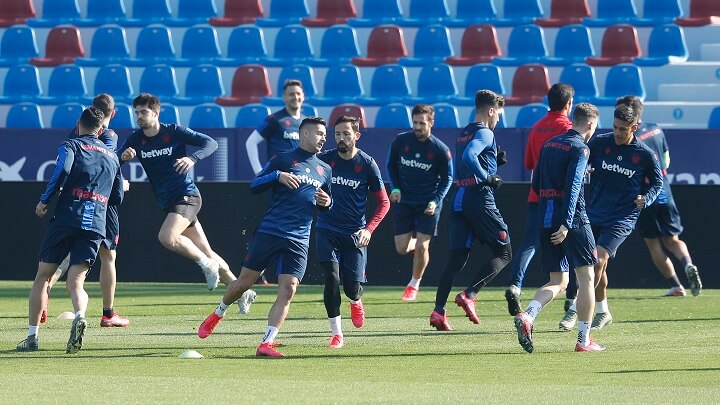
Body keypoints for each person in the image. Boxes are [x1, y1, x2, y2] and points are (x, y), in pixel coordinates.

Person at [197, 117, 332, 358]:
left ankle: (267, 342)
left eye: (325, 134)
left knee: (288, 289)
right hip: (271, 231)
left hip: (299, 238)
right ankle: (219, 312)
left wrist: (327, 203)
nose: (324, 138)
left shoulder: (325, 169)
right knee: (244, 283)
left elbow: (323, 201)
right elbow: (255, 184)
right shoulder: (282, 160)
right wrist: (276, 176)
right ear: (304, 135)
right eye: (319, 133)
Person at [118, 93, 256, 313]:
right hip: (168, 202)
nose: (139, 117)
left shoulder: (173, 131)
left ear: (156, 112)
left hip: (187, 196)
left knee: (167, 237)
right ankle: (241, 290)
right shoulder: (135, 139)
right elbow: (114, 162)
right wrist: (122, 158)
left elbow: (210, 144)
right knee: (207, 250)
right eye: (136, 113)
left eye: (144, 112)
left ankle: (205, 264)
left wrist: (193, 158)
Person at [16, 106, 124, 353]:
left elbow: (62, 171)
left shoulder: (71, 145)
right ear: (100, 130)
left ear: (78, 125)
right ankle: (80, 315)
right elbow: (117, 196)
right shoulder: (112, 155)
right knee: (76, 282)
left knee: (43, 277)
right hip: (96, 222)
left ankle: (32, 338)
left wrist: (45, 200)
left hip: (67, 216)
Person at [559, 104, 663, 331]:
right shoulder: (599, 143)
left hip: (622, 218)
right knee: (597, 267)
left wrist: (646, 198)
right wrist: (584, 170)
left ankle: (574, 309)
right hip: (593, 213)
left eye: (623, 129)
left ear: (634, 127)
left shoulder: (645, 154)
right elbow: (582, 162)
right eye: (615, 127)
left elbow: (657, 183)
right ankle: (603, 311)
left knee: (597, 260)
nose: (617, 132)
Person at [513, 103, 606, 353]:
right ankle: (584, 340)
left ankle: (528, 316)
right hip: (572, 219)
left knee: (558, 280)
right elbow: (573, 187)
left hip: (545, 216)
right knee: (586, 277)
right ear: (589, 124)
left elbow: (538, 183)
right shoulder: (580, 148)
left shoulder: (550, 144)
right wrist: (566, 223)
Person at [44, 93, 131, 328]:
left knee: (64, 253)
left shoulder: (75, 135)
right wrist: (120, 169)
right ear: (112, 114)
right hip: (102, 204)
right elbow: (104, 163)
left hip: (72, 201)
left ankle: (45, 293)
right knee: (108, 256)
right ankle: (108, 313)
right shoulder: (108, 135)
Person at [429, 90, 512, 331]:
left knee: (455, 260)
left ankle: (438, 311)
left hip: (459, 199)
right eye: (498, 116)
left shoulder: (464, 133)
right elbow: (470, 156)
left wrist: (494, 162)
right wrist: (488, 177)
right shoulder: (485, 132)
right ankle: (470, 294)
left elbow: (470, 156)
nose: (498, 121)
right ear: (490, 111)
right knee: (504, 251)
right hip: (478, 198)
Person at [617, 96, 702, 297]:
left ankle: (676, 286)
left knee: (653, 244)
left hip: (644, 197)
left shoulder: (630, 140)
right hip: (664, 191)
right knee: (673, 239)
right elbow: (666, 161)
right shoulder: (656, 129)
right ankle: (688, 264)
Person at [317, 116, 390, 349]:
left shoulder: (367, 164)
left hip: (354, 234)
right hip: (326, 227)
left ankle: (356, 300)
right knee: (331, 277)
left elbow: (384, 203)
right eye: (337, 134)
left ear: (357, 136)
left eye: (346, 134)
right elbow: (308, 182)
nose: (341, 138)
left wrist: (368, 229)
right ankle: (337, 334)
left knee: (351, 287)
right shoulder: (325, 160)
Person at [505, 83, 575, 316]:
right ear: (568, 104)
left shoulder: (536, 128)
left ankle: (516, 285)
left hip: (537, 196)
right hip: (561, 199)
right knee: (574, 246)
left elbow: (528, 164)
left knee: (529, 243)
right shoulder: (568, 130)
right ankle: (572, 299)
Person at [386, 104, 453, 301]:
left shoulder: (440, 149)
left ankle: (414, 284)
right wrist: (395, 188)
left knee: (423, 247)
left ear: (431, 123)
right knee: (401, 248)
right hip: (405, 201)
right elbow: (391, 166)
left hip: (428, 204)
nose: (417, 127)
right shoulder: (401, 141)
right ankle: (418, 245)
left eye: (421, 123)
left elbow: (448, 178)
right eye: (415, 122)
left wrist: (436, 200)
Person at [245, 79, 306, 284]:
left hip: (300, 185)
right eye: (291, 94)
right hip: (277, 182)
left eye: (298, 93)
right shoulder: (275, 119)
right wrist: (259, 173)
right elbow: (251, 142)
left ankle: (285, 272)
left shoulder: (306, 123)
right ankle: (255, 267)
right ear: (283, 97)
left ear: (303, 96)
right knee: (270, 224)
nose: (295, 97)